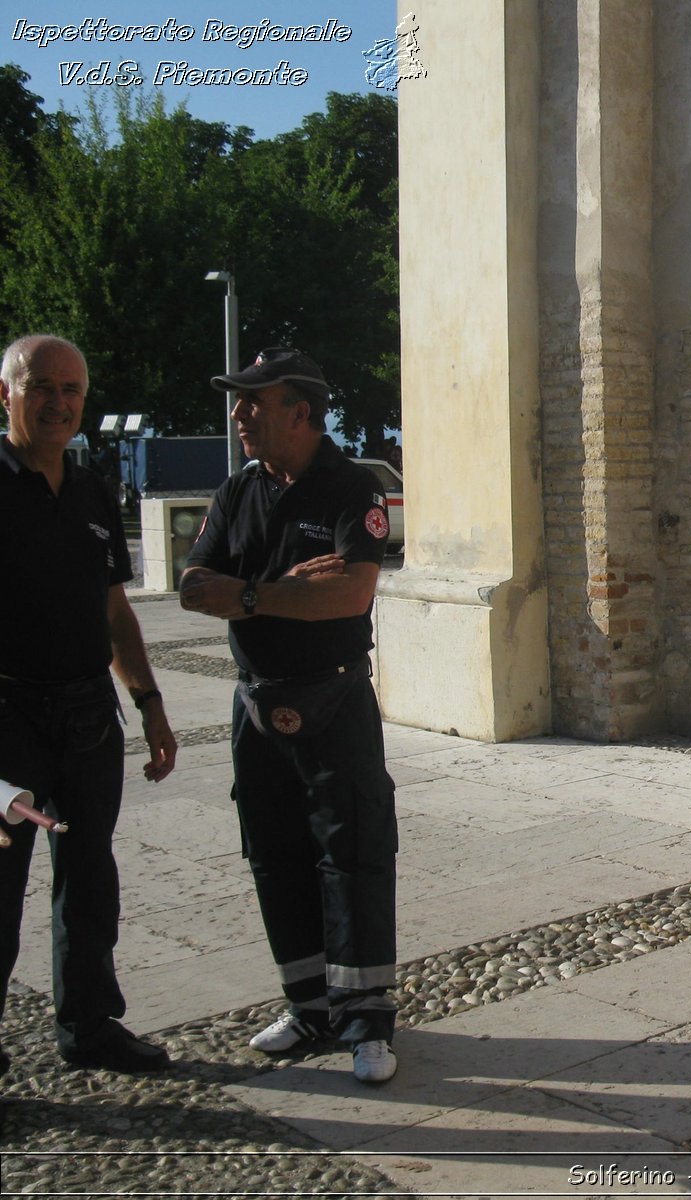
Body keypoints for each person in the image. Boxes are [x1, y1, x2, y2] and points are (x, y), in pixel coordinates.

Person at [178, 347, 399, 1085]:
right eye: (239, 402)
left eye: (254, 402)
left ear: (300, 413)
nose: (240, 415)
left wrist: (243, 592)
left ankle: (365, 1019)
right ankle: (308, 1004)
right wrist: (274, 589)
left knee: (355, 853)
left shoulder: (349, 488)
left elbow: (348, 595)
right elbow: (191, 587)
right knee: (273, 852)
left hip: (332, 698)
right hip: (256, 699)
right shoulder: (238, 490)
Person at [0, 334, 178, 1074]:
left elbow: (115, 614)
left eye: (72, 391)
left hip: (85, 721)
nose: (58, 403)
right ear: (5, 394)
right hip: (7, 722)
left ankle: (90, 1026)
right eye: (41, 386)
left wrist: (150, 705)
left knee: (89, 879)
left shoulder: (94, 491)